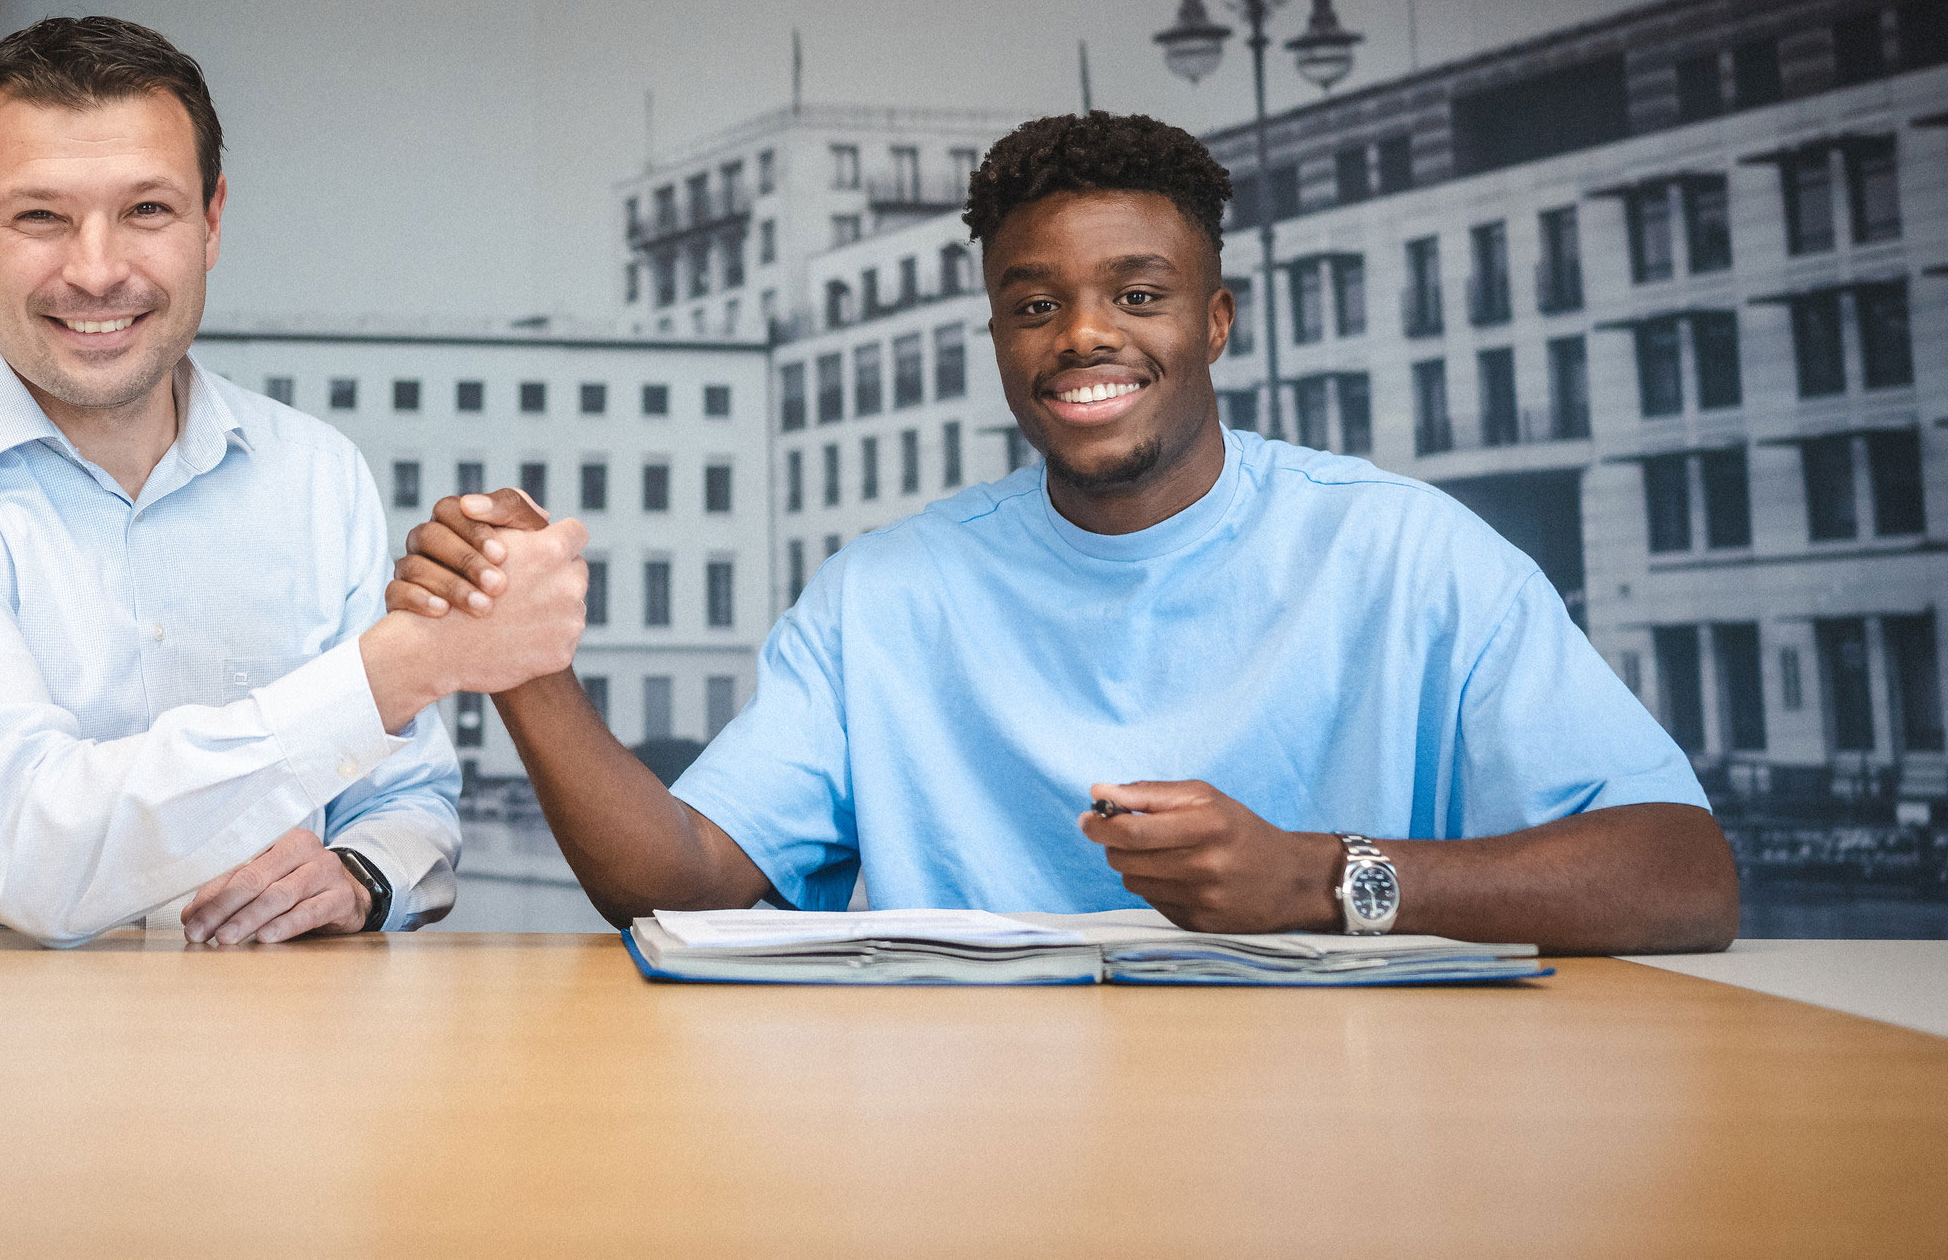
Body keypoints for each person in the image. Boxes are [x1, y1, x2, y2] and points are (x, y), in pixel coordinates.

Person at [392, 112, 1739, 954]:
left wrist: (1318, 877)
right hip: (967, 1143)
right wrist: (524, 667)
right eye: (1033, 304)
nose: (1084, 333)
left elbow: (1681, 876)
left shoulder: (1408, 553)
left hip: (1349, 1134)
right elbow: (679, 881)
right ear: (997, 337)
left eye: (1137, 292)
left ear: (1214, 323)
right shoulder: (886, 593)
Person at [0, 17, 586, 948]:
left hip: (273, 1061)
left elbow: (409, 803)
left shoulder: (315, 472)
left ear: (211, 221)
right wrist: (414, 663)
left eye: (147, 211)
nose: (97, 270)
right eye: (40, 216)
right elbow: (36, 849)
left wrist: (358, 877)